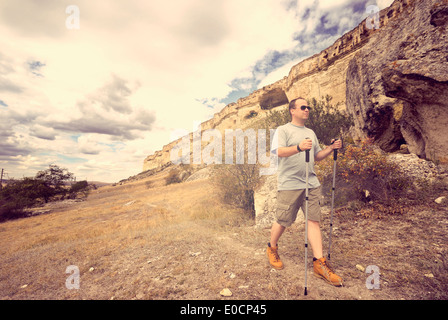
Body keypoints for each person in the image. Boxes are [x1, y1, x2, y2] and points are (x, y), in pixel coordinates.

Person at [267, 97, 343, 287]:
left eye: (308, 107)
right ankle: (272, 247)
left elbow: (316, 156)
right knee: (283, 220)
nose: (307, 109)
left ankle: (319, 263)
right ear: (292, 110)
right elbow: (278, 151)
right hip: (290, 184)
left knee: (313, 221)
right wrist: (299, 147)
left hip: (311, 182)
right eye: (303, 107)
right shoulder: (283, 130)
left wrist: (331, 148)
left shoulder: (310, 132)